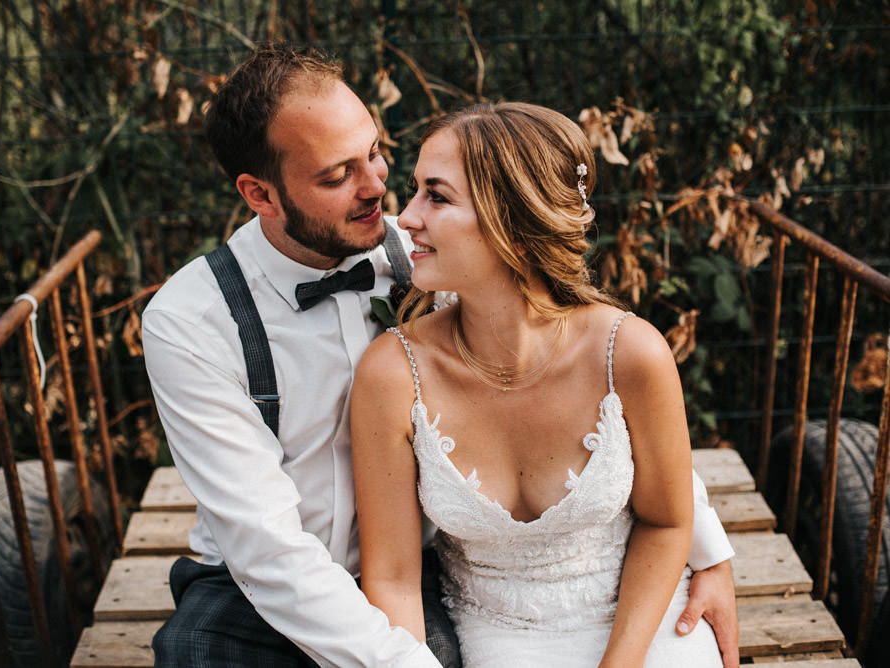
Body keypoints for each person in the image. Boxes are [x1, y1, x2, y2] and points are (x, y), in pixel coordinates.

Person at [142, 43, 738, 667]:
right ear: (260, 195)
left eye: (373, 153)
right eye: (337, 175)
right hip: (256, 588)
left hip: (414, 570)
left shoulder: (432, 252)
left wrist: (709, 551)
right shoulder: (192, 321)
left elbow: (582, 379)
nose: (380, 190)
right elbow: (264, 547)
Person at [351, 102, 729, 667]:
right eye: (414, 192)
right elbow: (395, 577)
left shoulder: (631, 354)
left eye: (437, 195)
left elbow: (667, 519)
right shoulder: (392, 372)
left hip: (640, 624)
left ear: (517, 229)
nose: (404, 219)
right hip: (495, 635)